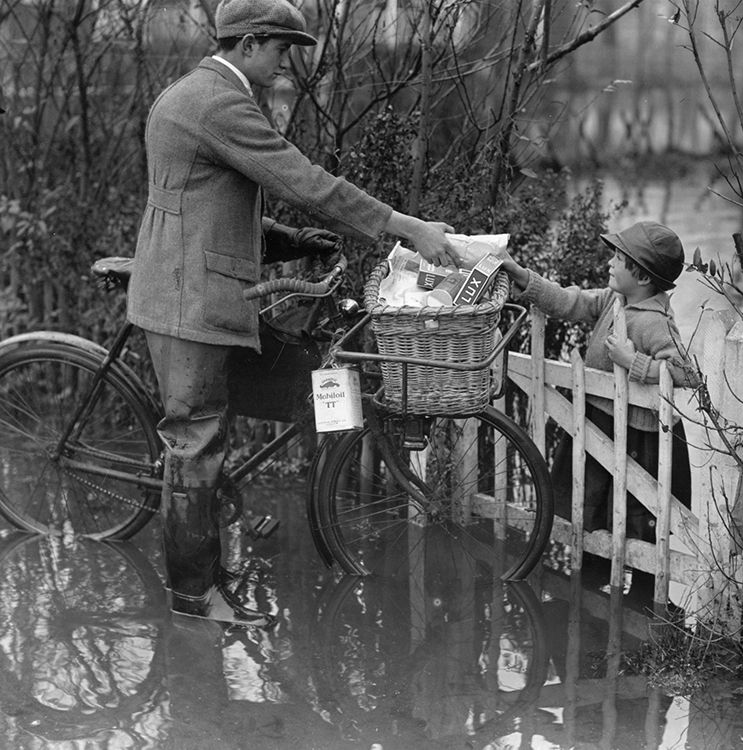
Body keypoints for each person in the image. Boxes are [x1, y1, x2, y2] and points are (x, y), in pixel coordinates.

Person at [127, 0, 460, 626]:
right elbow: (302, 180)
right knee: (196, 441)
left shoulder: (206, 94)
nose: (286, 64)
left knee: (300, 384)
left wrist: (296, 242)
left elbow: (214, 207)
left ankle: (220, 507)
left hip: (206, 288)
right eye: (282, 50)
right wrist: (406, 226)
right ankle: (195, 596)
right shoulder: (216, 102)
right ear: (249, 43)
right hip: (189, 300)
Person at [501, 220, 700, 547]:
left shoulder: (653, 321)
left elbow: (685, 373)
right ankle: (593, 576)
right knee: (592, 513)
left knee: (639, 524)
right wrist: (521, 275)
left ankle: (641, 594)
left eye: (618, 258)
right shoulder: (614, 300)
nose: (609, 262)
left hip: (639, 436)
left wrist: (632, 361)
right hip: (599, 422)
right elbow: (570, 302)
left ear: (643, 277)